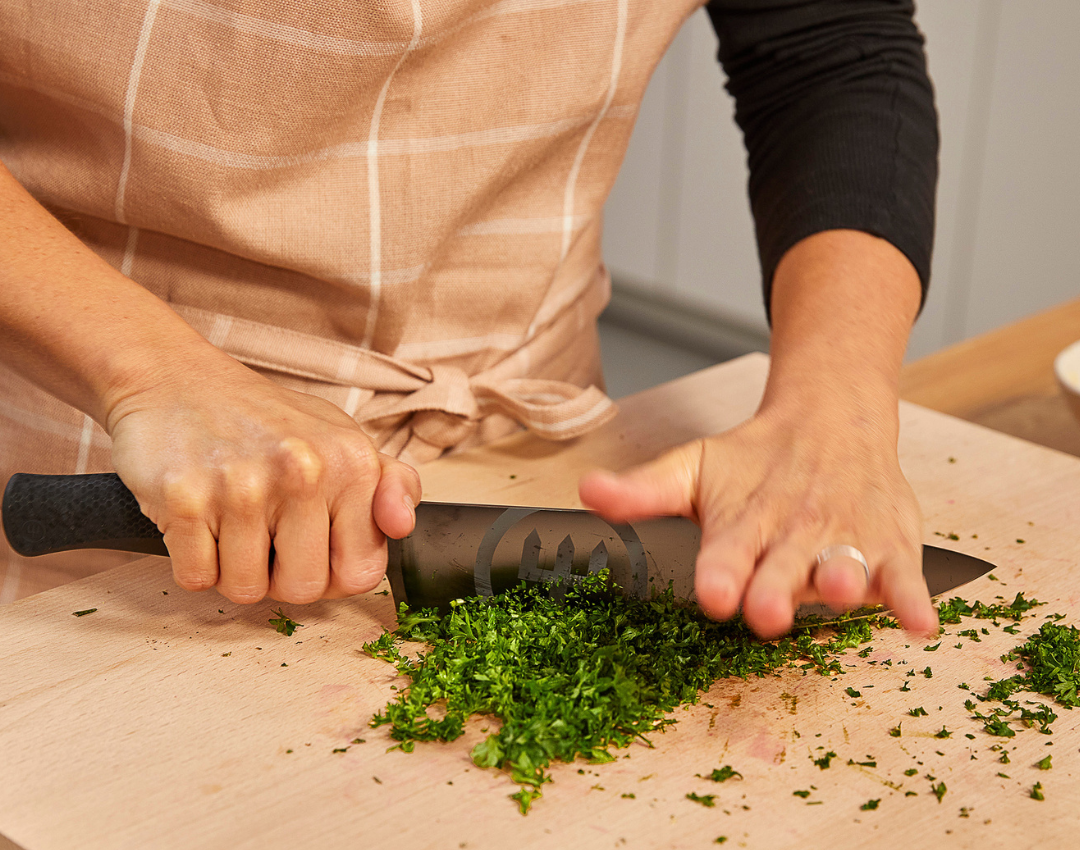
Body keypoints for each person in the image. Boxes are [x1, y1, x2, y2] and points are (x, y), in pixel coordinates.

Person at [0, 0, 938, 639]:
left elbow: (833, 45)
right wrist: (151, 373)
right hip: (116, 448)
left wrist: (836, 405)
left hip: (536, 435)